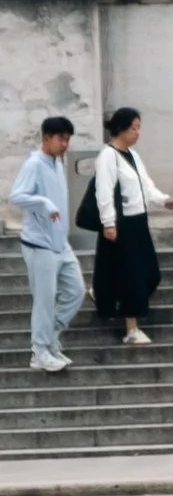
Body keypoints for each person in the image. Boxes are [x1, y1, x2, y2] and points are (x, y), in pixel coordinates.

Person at [91, 106, 173, 348]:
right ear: (121, 128)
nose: (137, 133)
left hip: (139, 221)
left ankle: (108, 296)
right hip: (122, 224)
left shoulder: (132, 155)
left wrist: (163, 200)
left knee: (151, 273)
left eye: (139, 127)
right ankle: (132, 329)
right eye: (134, 128)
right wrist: (109, 223)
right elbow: (104, 192)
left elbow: (145, 186)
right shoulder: (108, 156)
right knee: (134, 276)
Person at [12, 114, 82, 373]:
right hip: (38, 244)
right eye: (61, 139)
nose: (65, 144)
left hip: (60, 243)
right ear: (46, 138)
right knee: (44, 299)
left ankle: (49, 338)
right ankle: (39, 352)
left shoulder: (56, 163)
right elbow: (17, 195)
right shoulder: (34, 164)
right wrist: (44, 204)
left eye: (67, 140)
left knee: (75, 291)